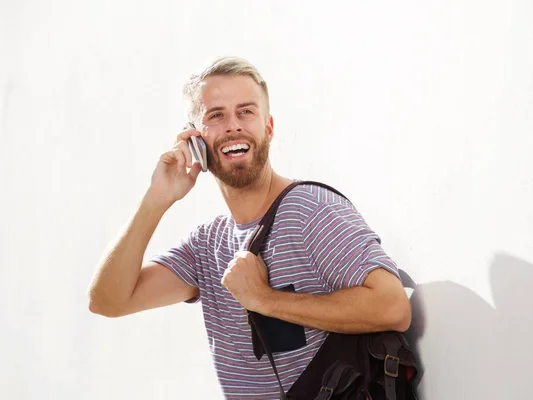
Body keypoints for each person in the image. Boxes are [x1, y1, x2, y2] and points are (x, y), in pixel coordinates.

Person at [87, 56, 412, 398]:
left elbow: (392, 307)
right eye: (216, 115)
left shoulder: (310, 210)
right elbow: (109, 301)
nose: (233, 126)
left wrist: (263, 298)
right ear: (195, 139)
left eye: (246, 112)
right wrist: (156, 200)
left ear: (268, 128)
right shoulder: (207, 246)